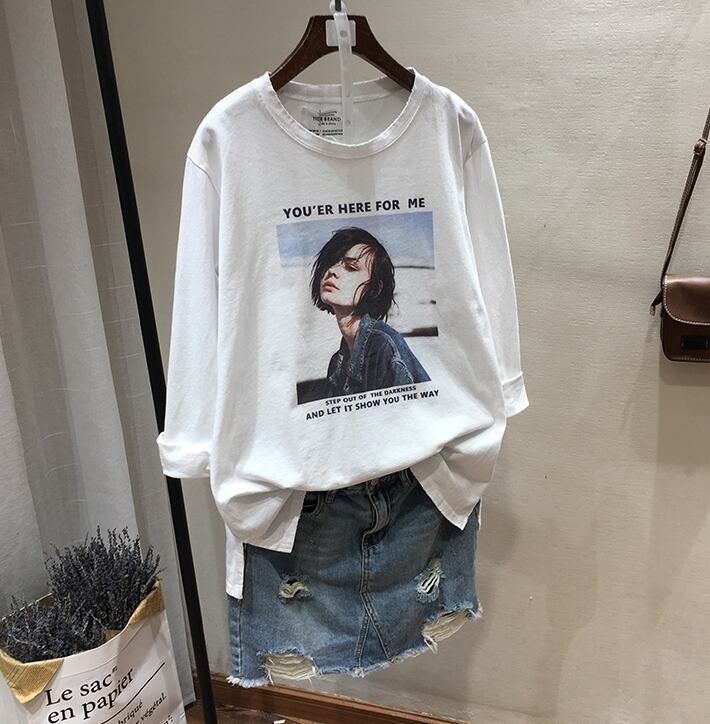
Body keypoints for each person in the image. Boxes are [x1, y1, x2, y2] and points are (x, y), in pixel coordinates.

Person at [309, 226, 431, 397]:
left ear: (374, 289)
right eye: (330, 263)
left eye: (351, 267)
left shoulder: (383, 345)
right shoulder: (337, 362)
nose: (332, 271)